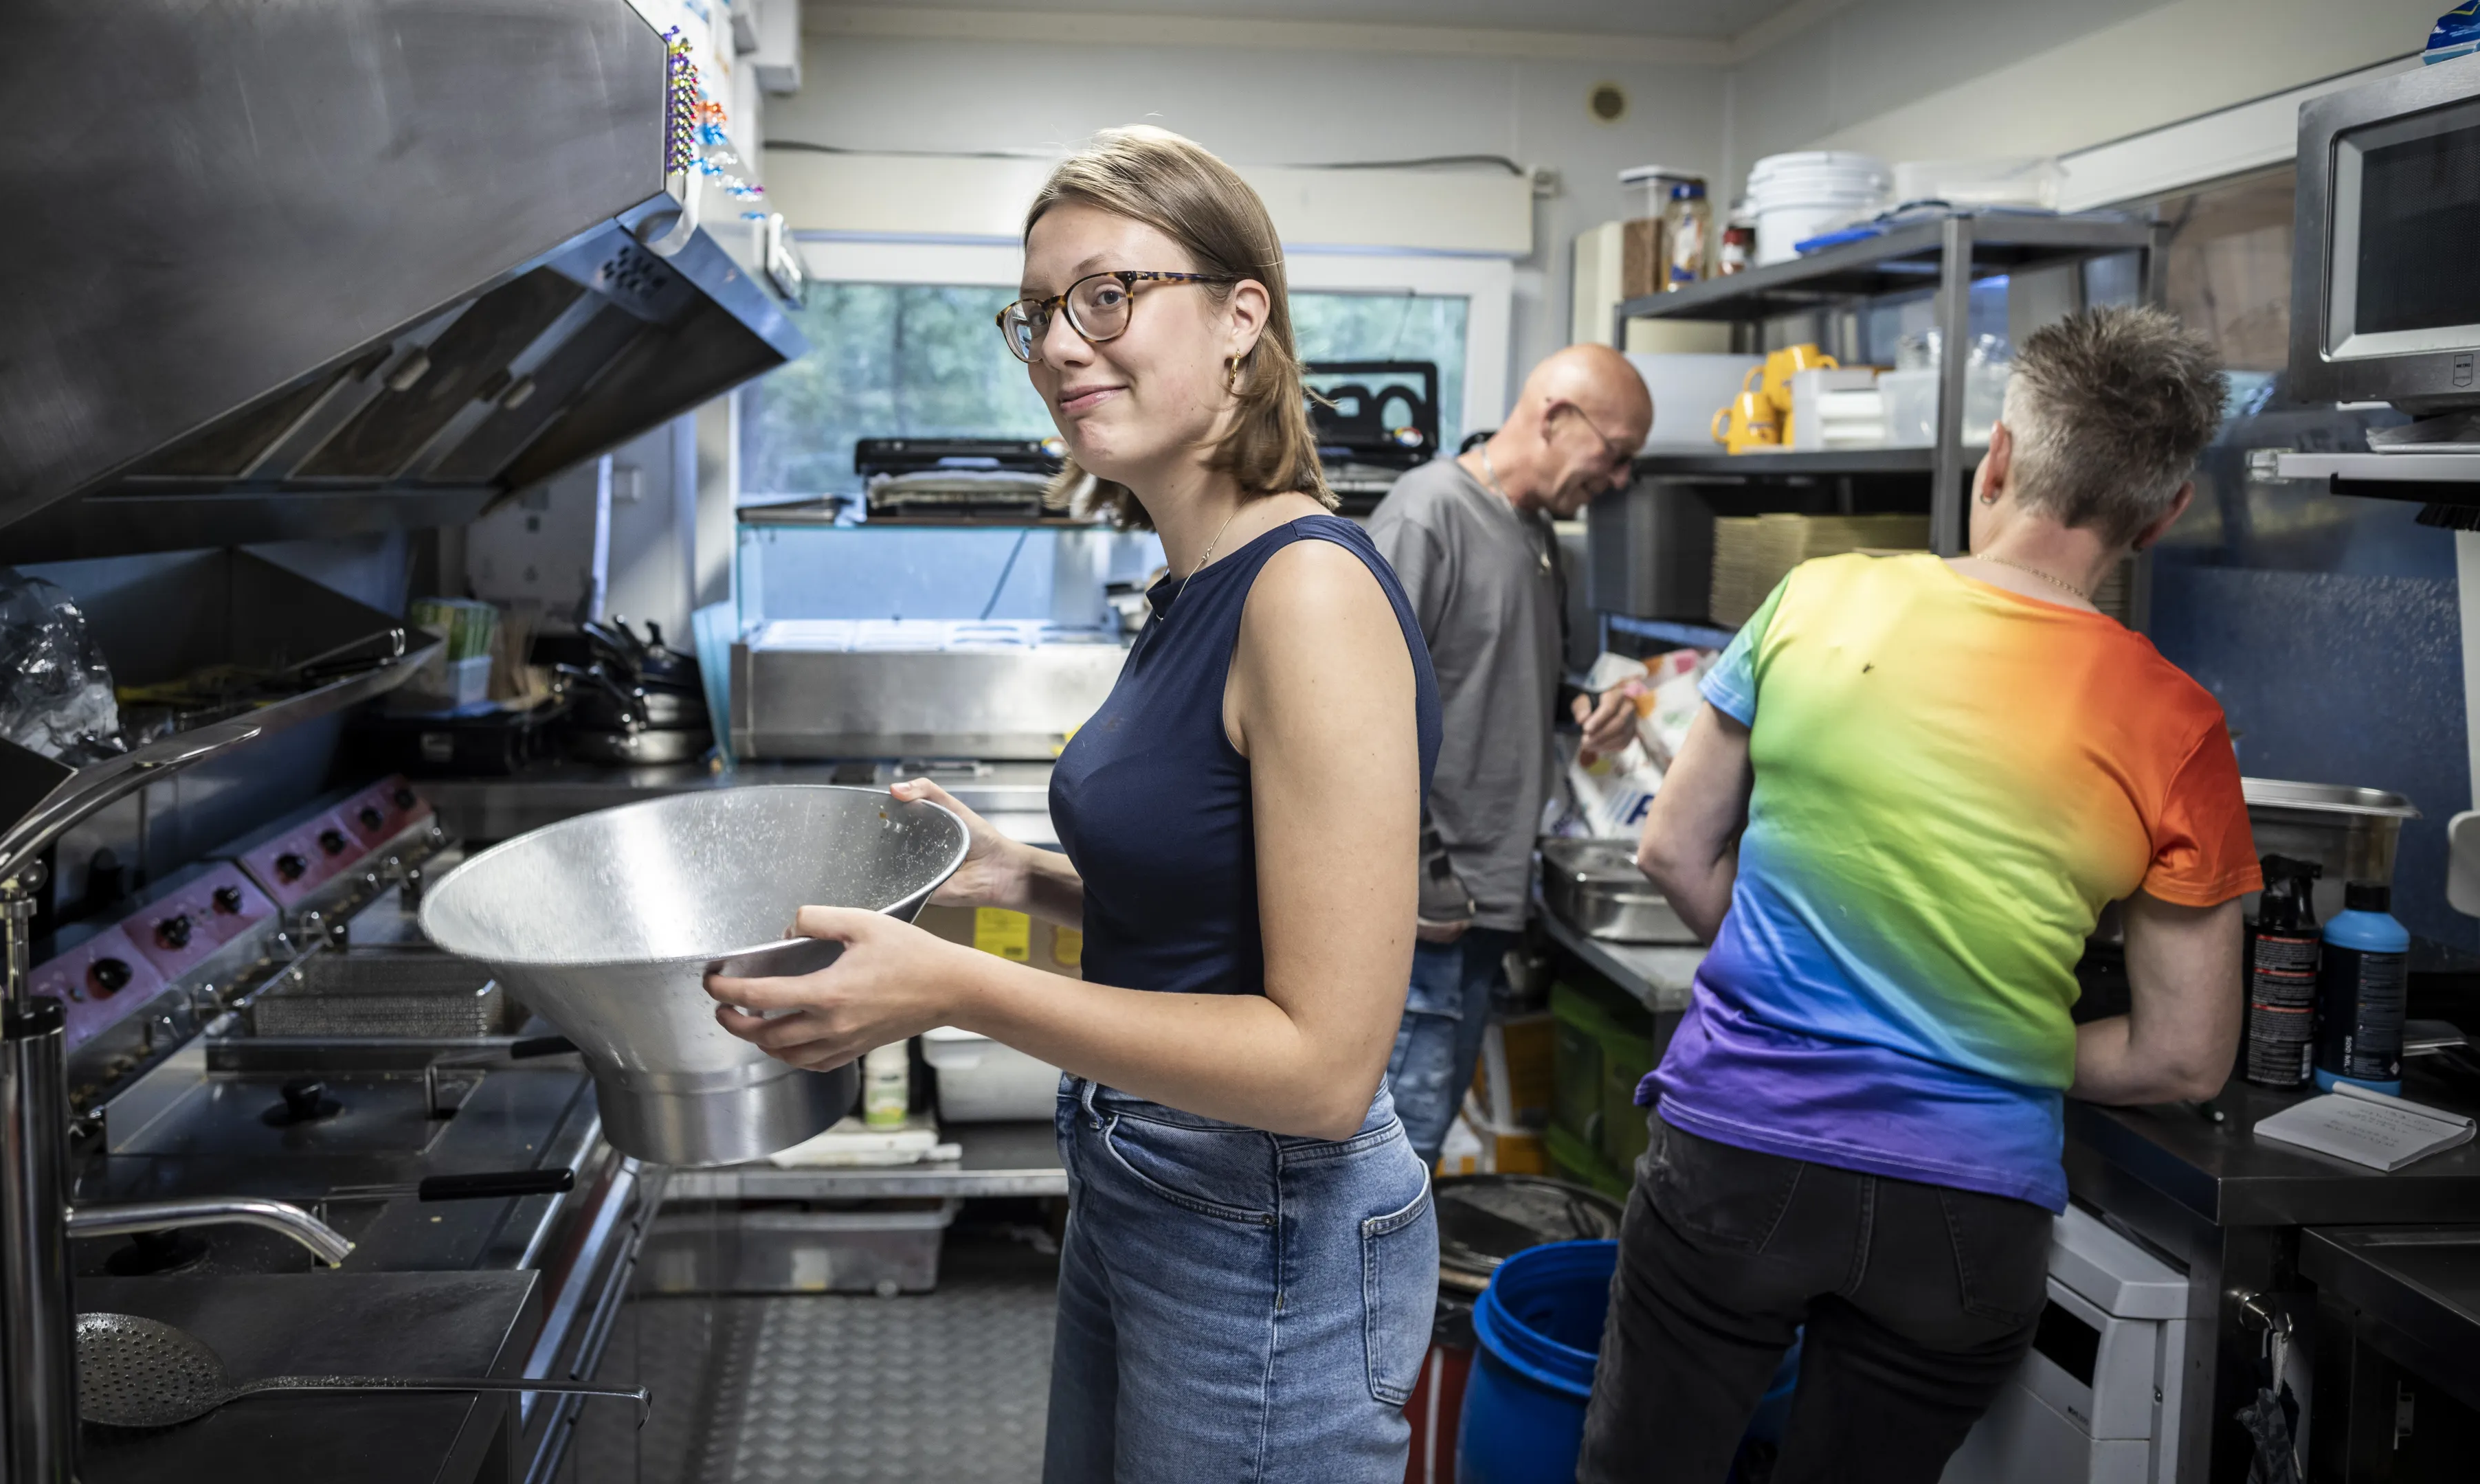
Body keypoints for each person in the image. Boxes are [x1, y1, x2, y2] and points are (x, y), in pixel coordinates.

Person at [705, 126, 1443, 1483]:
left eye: (1106, 295)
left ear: (1241, 316)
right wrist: (1015, 882)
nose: (1057, 345)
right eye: (1037, 313)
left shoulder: (1308, 593)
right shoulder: (1192, 587)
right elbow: (1206, 933)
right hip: (1144, 1179)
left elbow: (1323, 1068)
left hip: (1265, 1232)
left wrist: (953, 986)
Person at [1580, 306, 2255, 1483]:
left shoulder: (1816, 601)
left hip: (1739, 1147)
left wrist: (1808, 986)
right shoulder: (2182, 726)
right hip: (1970, 1210)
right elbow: (2186, 1058)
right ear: (2163, 515)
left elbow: (1674, 853)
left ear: (1998, 458)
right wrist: (1980, 1040)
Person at [1367, 345, 1654, 1167]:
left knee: (1412, 1154)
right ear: (1556, 417)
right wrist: (1427, 877)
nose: (1620, 480)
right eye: (1616, 453)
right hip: (1428, 910)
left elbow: (1499, 670)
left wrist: (1583, 705)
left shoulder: (1535, 532)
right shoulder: (1428, 513)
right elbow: (1360, 709)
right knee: (1385, 1163)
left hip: (1487, 895)